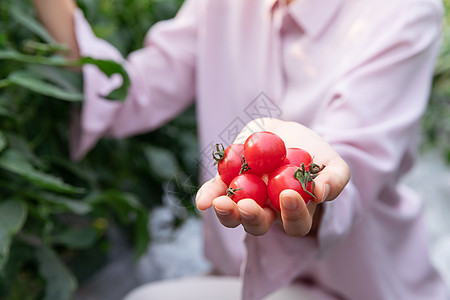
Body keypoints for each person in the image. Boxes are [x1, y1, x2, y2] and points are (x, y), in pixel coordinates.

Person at [33, 0, 449, 299]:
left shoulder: (401, 11)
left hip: (360, 286)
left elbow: (353, 160)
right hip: (242, 278)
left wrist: (310, 189)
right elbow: (127, 92)